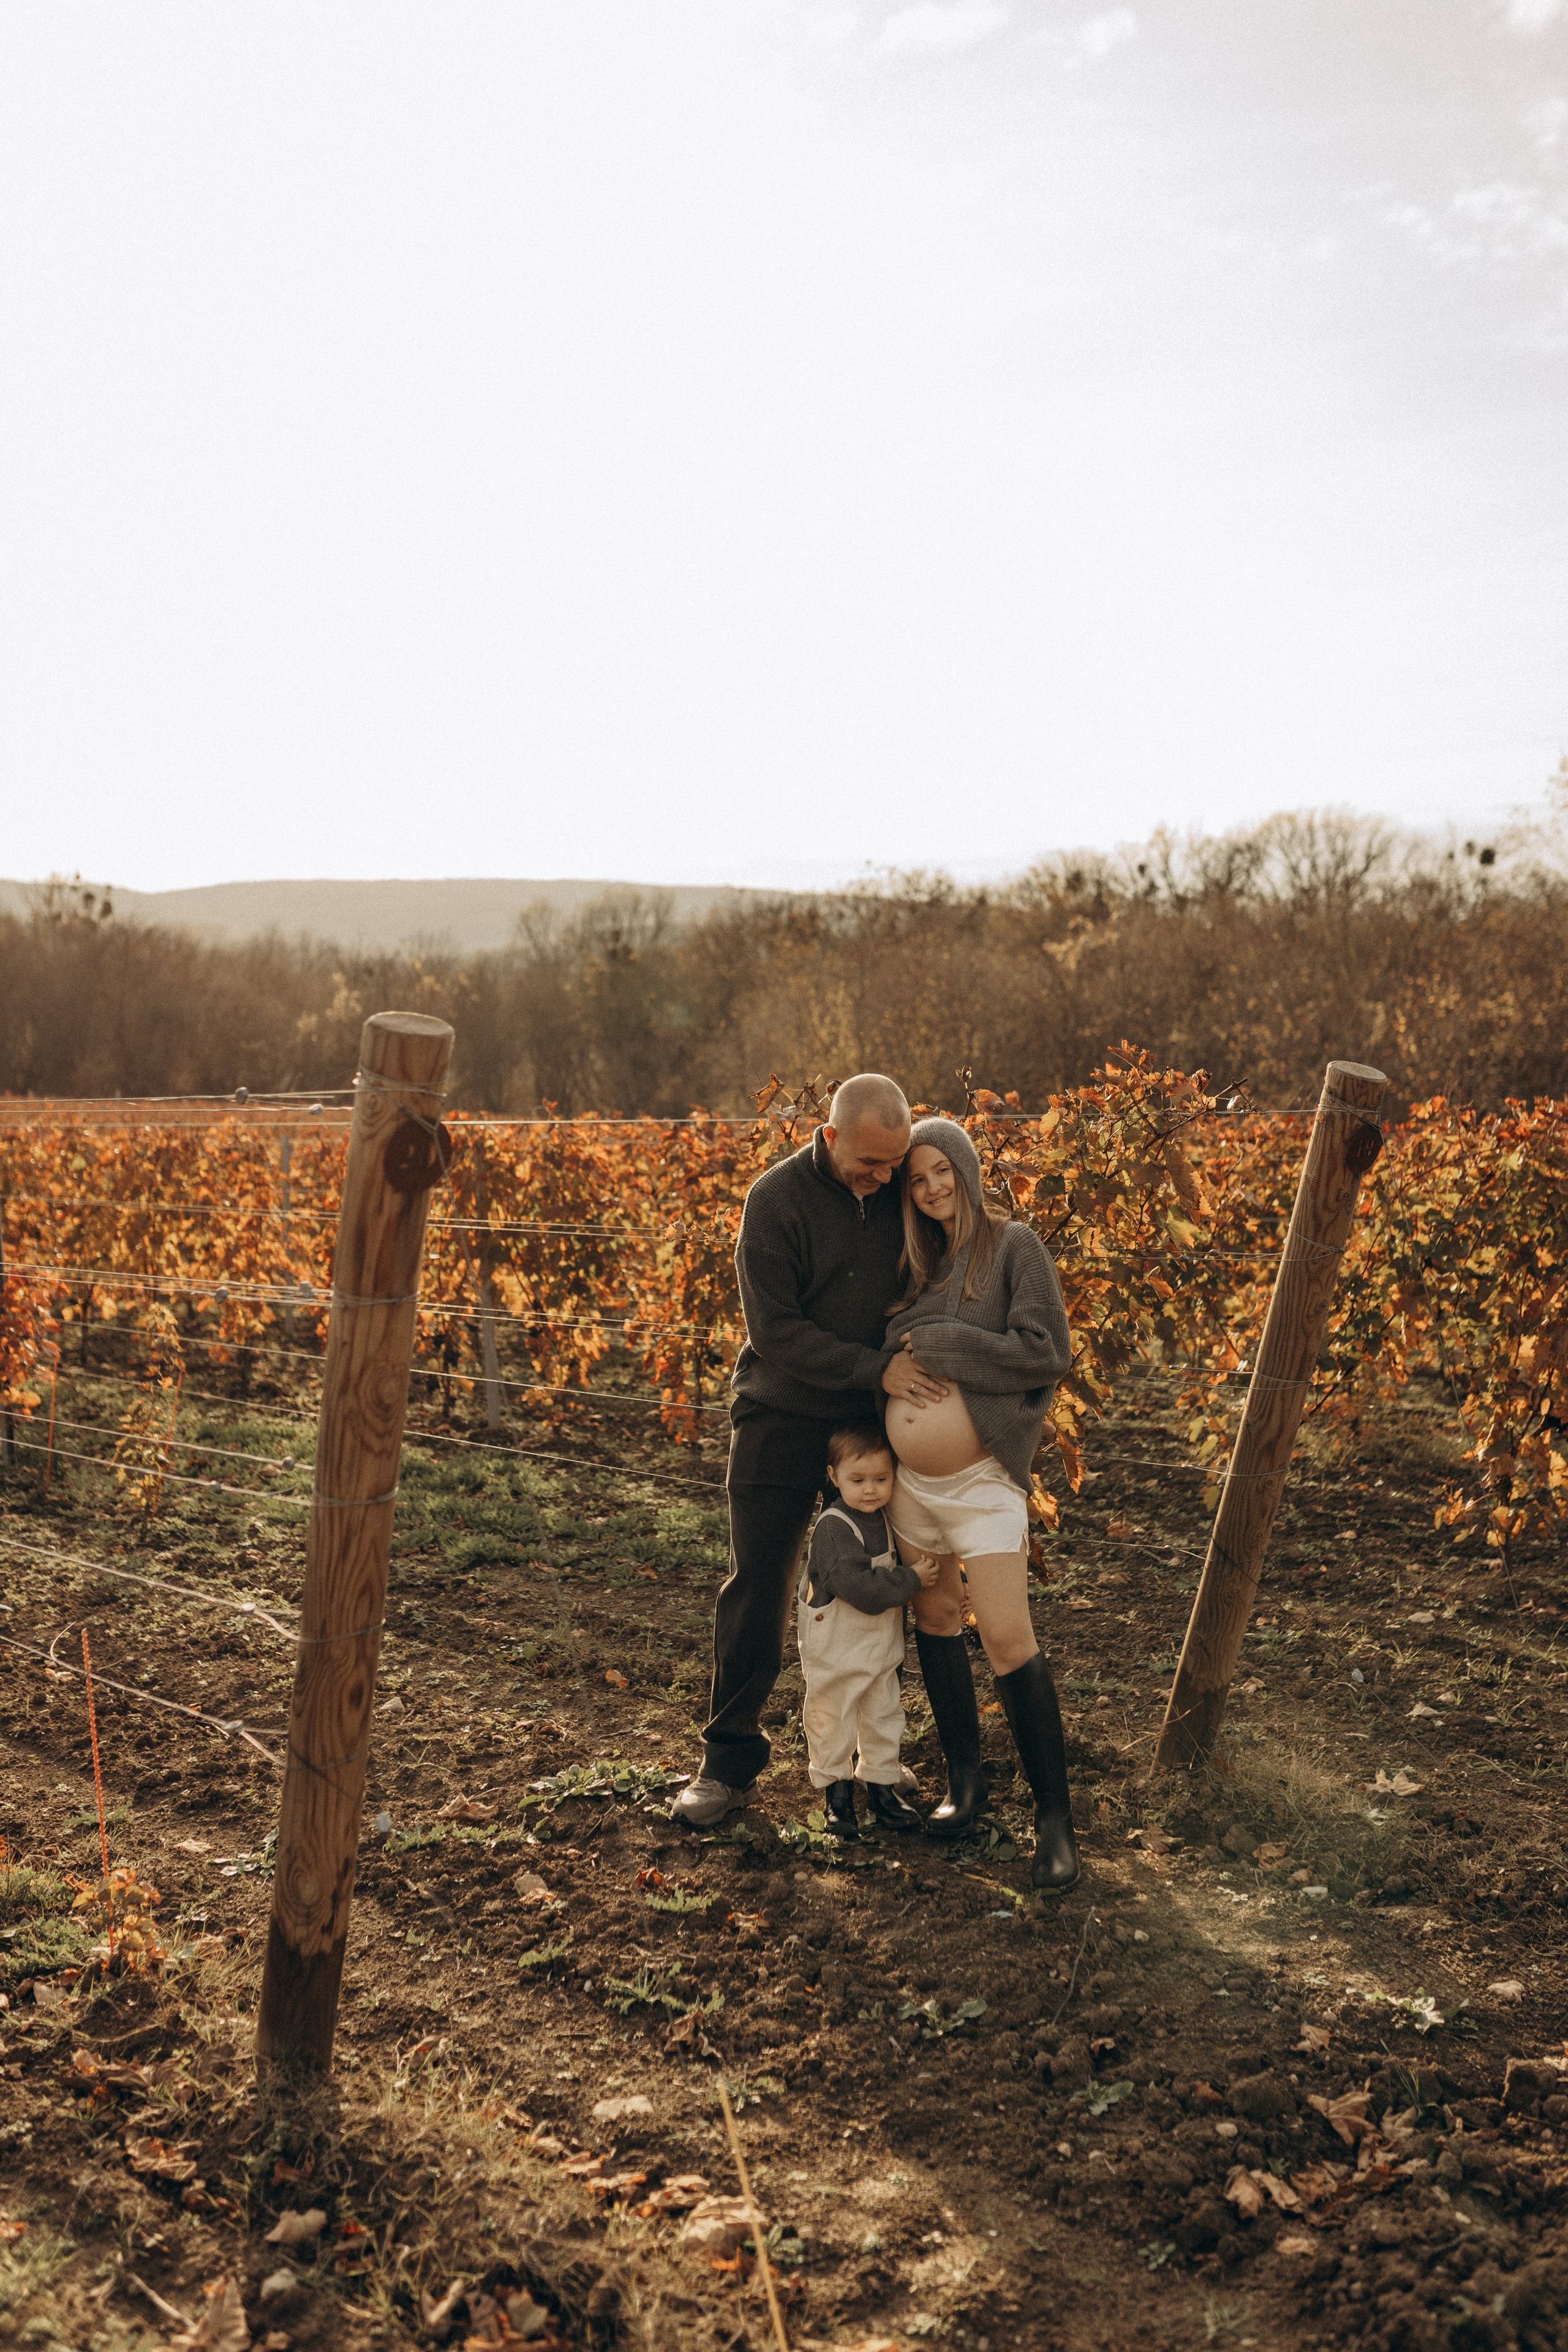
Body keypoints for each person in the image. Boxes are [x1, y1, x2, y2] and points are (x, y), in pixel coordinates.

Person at [672, 1072, 949, 1829]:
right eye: (870, 1163)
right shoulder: (774, 1201)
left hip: (870, 1428)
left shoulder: (899, 1188)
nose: (885, 1176)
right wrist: (873, 1366)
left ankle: (877, 1766)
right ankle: (726, 1765)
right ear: (828, 1137)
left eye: (896, 1162)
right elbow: (775, 1332)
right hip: (781, 1413)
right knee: (757, 1588)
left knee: (886, 1587)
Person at [881, 1116, 1079, 1890]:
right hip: (910, 1489)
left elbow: (1044, 1352)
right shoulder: (914, 1265)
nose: (931, 1188)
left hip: (981, 1483)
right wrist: (897, 1363)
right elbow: (892, 1355)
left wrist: (940, 1346)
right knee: (933, 1618)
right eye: (917, 1178)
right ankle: (965, 1788)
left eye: (942, 1172)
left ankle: (1054, 1822)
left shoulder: (1013, 1247)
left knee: (1004, 1636)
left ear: (966, 1170)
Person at [796, 1423, 939, 1839]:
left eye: (881, 1479)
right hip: (835, 1649)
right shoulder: (836, 1529)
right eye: (858, 1480)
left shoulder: (884, 1520)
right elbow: (860, 1590)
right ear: (833, 1476)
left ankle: (881, 1787)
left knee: (883, 1714)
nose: (871, 1490)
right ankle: (837, 1797)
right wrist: (910, 1579)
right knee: (833, 1717)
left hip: (878, 1648)